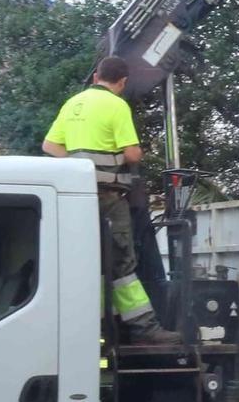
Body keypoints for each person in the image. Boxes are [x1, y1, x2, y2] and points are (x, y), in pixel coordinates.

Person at [42, 56, 170, 344]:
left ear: (96, 75)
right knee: (122, 262)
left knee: (91, 261)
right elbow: (133, 154)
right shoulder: (116, 105)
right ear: (122, 82)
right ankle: (144, 328)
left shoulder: (73, 103)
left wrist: (81, 169)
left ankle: (98, 327)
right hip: (109, 198)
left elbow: (49, 145)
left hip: (77, 197)